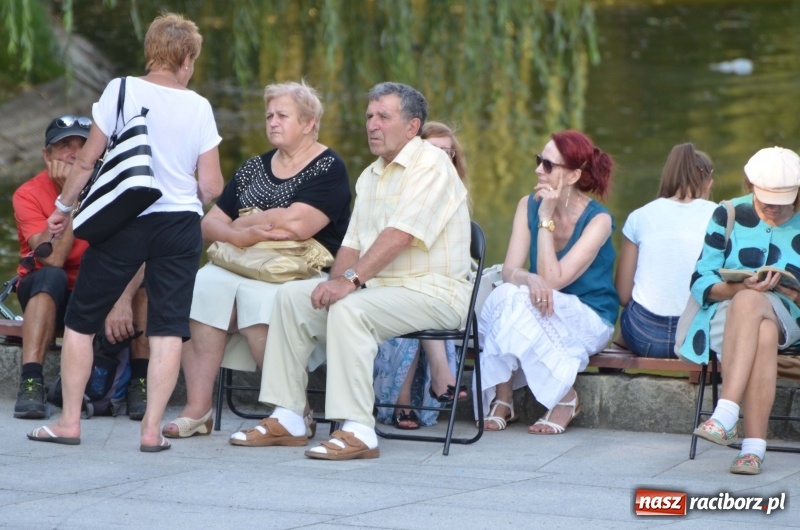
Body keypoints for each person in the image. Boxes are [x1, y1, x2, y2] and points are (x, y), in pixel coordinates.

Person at [228, 82, 471, 460]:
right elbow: (352, 245)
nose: (372, 124)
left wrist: (350, 282)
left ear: (412, 126)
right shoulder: (371, 174)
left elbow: (401, 234)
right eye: (369, 116)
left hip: (434, 292)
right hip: (383, 291)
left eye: (384, 117)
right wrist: (331, 286)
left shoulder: (432, 164)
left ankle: (358, 429)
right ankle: (289, 416)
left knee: (351, 308)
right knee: (293, 297)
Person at [29, 12, 224, 451]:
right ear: (187, 59)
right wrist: (185, 193)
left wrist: (62, 209)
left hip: (126, 218)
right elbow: (212, 186)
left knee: (81, 321)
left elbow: (86, 161)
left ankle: (69, 423)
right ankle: (152, 431)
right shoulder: (200, 106)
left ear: (150, 52)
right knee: (167, 329)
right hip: (179, 226)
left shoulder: (121, 89)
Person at [162, 81, 351, 439]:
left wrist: (242, 221)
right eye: (269, 115)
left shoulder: (328, 167)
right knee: (201, 288)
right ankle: (198, 410)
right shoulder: (253, 167)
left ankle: (294, 409)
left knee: (259, 301)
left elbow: (300, 224)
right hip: (243, 262)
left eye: (282, 115)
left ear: (309, 123)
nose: (273, 122)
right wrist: (239, 235)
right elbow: (209, 224)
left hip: (299, 272)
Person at [476, 130, 617, 434]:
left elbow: (553, 281)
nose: (539, 169)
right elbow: (510, 270)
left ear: (573, 175)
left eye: (549, 165)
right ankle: (504, 398)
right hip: (539, 307)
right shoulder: (526, 204)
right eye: (539, 160)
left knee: (516, 300)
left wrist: (545, 219)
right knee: (506, 294)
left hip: (589, 317)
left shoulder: (599, 221)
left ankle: (565, 398)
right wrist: (528, 278)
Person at [12, 115, 150, 421]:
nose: (74, 154)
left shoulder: (115, 187)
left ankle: (139, 382)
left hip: (100, 292)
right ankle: (31, 381)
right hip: (51, 295)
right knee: (49, 277)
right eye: (65, 146)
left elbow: (136, 253)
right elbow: (53, 258)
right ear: (46, 155)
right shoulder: (27, 194)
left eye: (83, 146)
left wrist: (122, 299)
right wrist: (70, 198)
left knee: (143, 281)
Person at [686, 147, 800, 475]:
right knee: (759, 325)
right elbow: (700, 280)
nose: (774, 209)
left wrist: (790, 291)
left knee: (752, 304)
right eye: (766, 201)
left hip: (790, 319)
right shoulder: (729, 214)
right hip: (727, 319)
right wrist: (739, 287)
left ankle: (725, 414)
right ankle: (752, 450)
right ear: (750, 186)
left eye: (782, 202)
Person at [373, 121, 468, 429]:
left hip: (436, 293)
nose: (440, 160)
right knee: (415, 300)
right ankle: (434, 382)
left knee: (425, 299)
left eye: (446, 153)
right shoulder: (396, 191)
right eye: (432, 152)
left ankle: (420, 391)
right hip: (391, 284)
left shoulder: (456, 201)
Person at [614, 143, 716, 358]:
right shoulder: (720, 216)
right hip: (696, 339)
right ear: (709, 183)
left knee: (636, 306)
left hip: (644, 337)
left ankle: (618, 348)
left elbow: (623, 295)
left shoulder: (639, 216)